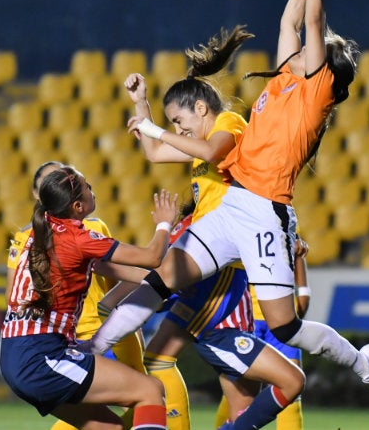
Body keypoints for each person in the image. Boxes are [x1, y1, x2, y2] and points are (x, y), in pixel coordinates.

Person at [83, 0, 369, 412]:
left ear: (322, 66)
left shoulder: (316, 90)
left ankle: (362, 362)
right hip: (235, 206)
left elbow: (311, 19)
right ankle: (91, 350)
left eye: (305, 50)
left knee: (285, 327)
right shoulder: (287, 80)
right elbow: (290, 18)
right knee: (164, 276)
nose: (291, 50)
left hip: (266, 214)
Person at [117, 26, 305, 430]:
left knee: (171, 357)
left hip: (223, 264)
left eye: (179, 120)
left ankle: (93, 345)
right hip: (210, 259)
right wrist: (141, 104)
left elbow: (208, 150)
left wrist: (154, 127)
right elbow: (153, 152)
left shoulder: (231, 124)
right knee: (232, 384)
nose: (178, 129)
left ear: (201, 108)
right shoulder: (196, 148)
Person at [1, 165, 179, 430]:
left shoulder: (39, 231)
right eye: (88, 188)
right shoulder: (78, 237)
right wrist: (165, 223)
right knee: (150, 390)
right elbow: (152, 256)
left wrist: (156, 282)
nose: (92, 191)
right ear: (77, 206)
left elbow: (101, 266)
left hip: (15, 355)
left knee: (108, 428)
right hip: (41, 357)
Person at [214, 235, 311, 430]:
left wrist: (300, 266)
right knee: (240, 398)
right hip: (250, 320)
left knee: (291, 389)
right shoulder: (241, 223)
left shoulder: (287, 220)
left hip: (282, 319)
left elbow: (297, 259)